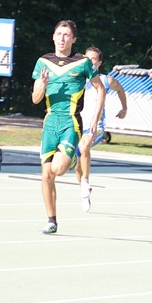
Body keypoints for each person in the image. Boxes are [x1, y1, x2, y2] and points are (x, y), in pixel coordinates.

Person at [31, 20, 106, 235]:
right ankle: (51, 221)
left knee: (58, 169)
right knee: (46, 176)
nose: (62, 38)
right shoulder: (43, 62)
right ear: (53, 37)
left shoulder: (82, 62)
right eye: (59, 34)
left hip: (70, 123)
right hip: (49, 123)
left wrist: (95, 119)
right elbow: (35, 99)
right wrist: (43, 85)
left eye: (66, 35)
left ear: (73, 39)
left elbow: (100, 89)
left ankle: (72, 159)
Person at [76, 46, 128, 212]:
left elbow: (120, 89)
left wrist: (124, 108)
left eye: (93, 59)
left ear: (99, 63)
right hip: (77, 125)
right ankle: (84, 191)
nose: (90, 62)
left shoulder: (106, 80)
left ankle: (85, 181)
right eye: (87, 59)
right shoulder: (77, 78)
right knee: (77, 164)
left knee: (84, 147)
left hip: (95, 126)